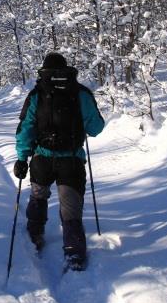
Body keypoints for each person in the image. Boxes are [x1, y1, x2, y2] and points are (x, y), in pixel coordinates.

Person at [13, 52, 105, 270]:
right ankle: (74, 255)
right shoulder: (81, 93)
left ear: (44, 71)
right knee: (70, 207)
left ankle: (35, 235)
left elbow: (25, 129)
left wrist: (21, 158)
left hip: (42, 158)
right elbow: (96, 128)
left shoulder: (37, 94)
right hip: (71, 160)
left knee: (39, 195)